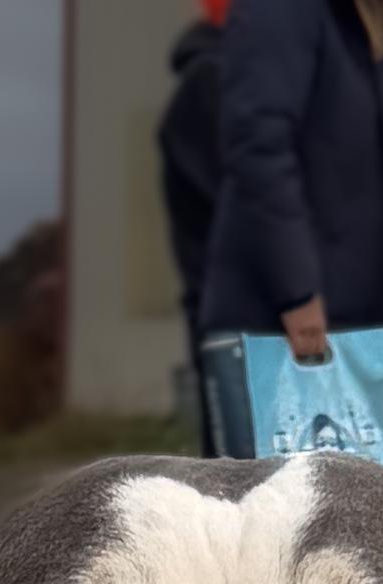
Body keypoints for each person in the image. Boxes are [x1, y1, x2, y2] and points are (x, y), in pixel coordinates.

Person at [199, 0, 383, 377]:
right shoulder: (281, 11)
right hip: (284, 327)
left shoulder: (379, 21)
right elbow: (259, 151)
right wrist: (297, 293)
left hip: (361, 321)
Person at [159, 0, 230, 445]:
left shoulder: (214, 81)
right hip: (236, 318)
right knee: (243, 472)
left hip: (228, 310)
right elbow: (244, 205)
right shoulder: (213, 86)